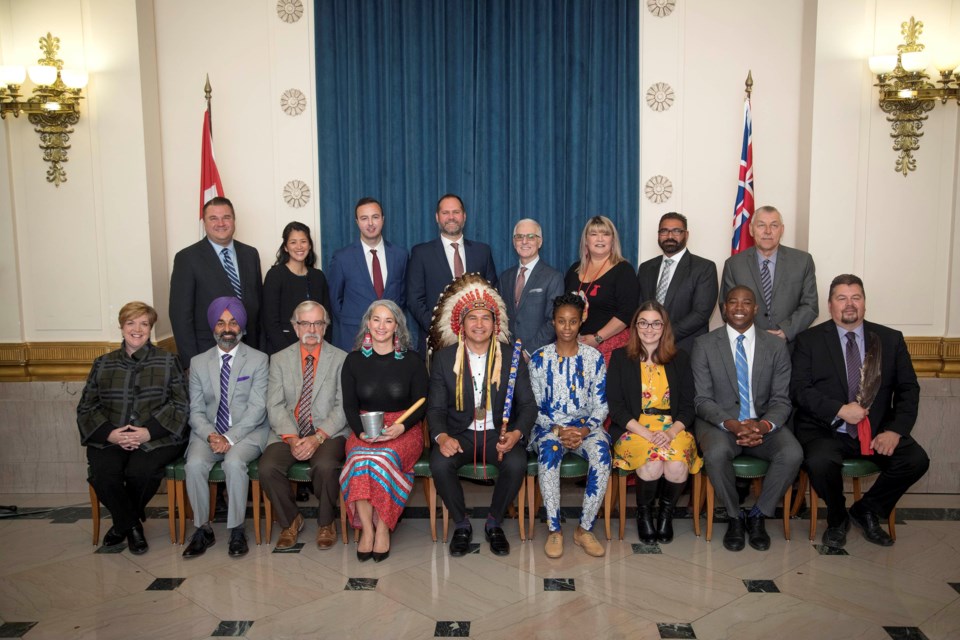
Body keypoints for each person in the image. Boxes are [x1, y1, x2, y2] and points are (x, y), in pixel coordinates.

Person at [792, 274, 928, 548]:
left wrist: (894, 430)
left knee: (915, 459)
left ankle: (868, 509)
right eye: (841, 298)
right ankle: (837, 516)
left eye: (856, 297)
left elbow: (908, 390)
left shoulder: (890, 339)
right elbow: (799, 389)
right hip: (826, 428)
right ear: (830, 305)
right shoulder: (810, 340)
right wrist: (839, 410)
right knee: (820, 461)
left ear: (865, 303)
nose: (849, 304)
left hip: (876, 429)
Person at [427, 274, 536, 557]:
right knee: (439, 464)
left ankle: (493, 522)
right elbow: (436, 409)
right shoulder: (444, 359)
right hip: (459, 433)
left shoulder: (512, 357)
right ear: (461, 324)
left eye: (485, 318)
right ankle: (461, 524)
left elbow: (528, 406)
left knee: (516, 463)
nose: (479, 324)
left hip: (498, 434)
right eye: (472, 318)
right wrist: (441, 437)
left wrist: (516, 433)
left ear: (495, 323)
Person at [691, 286, 802, 552]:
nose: (739, 307)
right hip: (720, 424)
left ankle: (758, 516)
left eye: (746, 302)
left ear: (755, 309)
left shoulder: (775, 346)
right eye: (733, 302)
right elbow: (702, 399)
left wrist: (762, 426)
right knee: (716, 454)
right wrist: (732, 424)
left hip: (763, 423)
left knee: (792, 453)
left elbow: (781, 400)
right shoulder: (704, 344)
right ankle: (734, 517)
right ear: (724, 308)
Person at [77, 301, 188, 554]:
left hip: (156, 437)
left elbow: (180, 404)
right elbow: (86, 407)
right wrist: (111, 434)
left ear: (151, 328)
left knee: (142, 471)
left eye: (144, 324)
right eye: (131, 323)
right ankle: (131, 526)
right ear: (121, 326)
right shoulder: (103, 363)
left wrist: (148, 431)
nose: (137, 329)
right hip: (111, 436)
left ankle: (121, 525)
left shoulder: (168, 361)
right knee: (103, 473)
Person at [339, 300, 428, 562]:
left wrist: (401, 427)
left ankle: (384, 528)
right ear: (368, 323)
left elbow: (422, 403)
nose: (381, 326)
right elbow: (349, 406)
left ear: (397, 326)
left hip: (405, 429)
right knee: (359, 459)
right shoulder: (353, 361)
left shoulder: (412, 361)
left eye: (388, 321)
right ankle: (368, 529)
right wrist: (362, 433)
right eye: (376, 319)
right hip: (364, 428)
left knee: (381, 459)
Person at [181, 297, 270, 559]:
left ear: (241, 326)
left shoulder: (258, 359)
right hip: (208, 432)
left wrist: (229, 438)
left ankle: (237, 529)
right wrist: (211, 435)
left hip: (248, 432)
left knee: (233, 463)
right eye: (221, 322)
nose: (227, 328)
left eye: (233, 322)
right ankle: (202, 529)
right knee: (194, 465)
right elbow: (195, 410)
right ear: (213, 327)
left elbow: (257, 409)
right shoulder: (198, 362)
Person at [608, 301, 702, 545]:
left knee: (676, 466)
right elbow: (615, 407)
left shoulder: (680, 358)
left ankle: (665, 515)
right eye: (643, 322)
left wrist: (670, 433)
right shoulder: (620, 357)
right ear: (635, 326)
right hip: (634, 428)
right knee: (651, 464)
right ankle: (644, 514)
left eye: (656, 323)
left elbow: (688, 407)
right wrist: (647, 434)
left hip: (673, 427)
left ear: (664, 327)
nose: (649, 328)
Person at [259, 301, 348, 550]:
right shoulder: (278, 360)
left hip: (328, 433)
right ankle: (291, 520)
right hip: (289, 433)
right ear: (295, 327)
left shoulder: (341, 359)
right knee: (267, 467)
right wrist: (291, 438)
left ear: (325, 327)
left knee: (327, 465)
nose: (311, 328)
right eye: (305, 323)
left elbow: (342, 407)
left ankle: (326, 522)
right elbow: (274, 404)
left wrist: (317, 438)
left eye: (317, 323)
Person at [528, 293, 609, 558]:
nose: (566, 327)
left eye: (572, 322)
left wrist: (584, 431)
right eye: (561, 321)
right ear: (552, 322)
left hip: (587, 428)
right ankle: (555, 530)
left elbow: (601, 405)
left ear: (580, 322)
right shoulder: (539, 359)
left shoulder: (593, 357)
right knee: (549, 452)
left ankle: (584, 529)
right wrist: (558, 431)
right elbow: (534, 406)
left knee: (602, 454)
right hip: (550, 428)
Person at [170, 196, 262, 367]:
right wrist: (192, 363)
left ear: (234, 220)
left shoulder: (250, 254)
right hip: (208, 353)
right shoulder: (187, 258)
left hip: (249, 351)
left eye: (226, 217)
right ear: (204, 223)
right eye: (213, 218)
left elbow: (257, 305)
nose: (221, 223)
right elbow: (180, 316)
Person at [407, 194, 498, 351]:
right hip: (436, 343)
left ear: (464, 216)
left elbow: (493, 296)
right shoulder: (421, 253)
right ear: (437, 217)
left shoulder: (482, 251)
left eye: (456, 212)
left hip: (478, 342)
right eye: (445, 213)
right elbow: (414, 300)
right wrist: (441, 329)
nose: (451, 217)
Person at [720, 205, 818, 348]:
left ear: (782, 230)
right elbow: (726, 307)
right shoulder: (734, 264)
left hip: (791, 346)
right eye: (761, 225)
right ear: (751, 230)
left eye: (774, 225)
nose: (767, 231)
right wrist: (753, 334)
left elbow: (810, 305)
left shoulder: (802, 261)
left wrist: (786, 330)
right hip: (748, 346)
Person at [327, 197, 408, 352]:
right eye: (364, 218)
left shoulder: (400, 255)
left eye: (375, 217)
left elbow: (402, 297)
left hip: (390, 341)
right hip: (353, 338)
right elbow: (335, 301)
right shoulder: (342, 258)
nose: (370, 223)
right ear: (357, 222)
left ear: (383, 219)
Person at [637, 212, 718, 353]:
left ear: (686, 234)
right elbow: (640, 306)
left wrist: (664, 335)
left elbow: (701, 313)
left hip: (686, 349)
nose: (669, 236)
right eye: (664, 231)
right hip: (648, 348)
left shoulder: (704, 267)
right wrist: (650, 335)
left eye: (676, 231)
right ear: (658, 234)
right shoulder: (646, 268)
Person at [564, 215, 639, 364]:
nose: (600, 239)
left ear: (613, 240)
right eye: (594, 234)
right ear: (586, 240)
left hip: (611, 349)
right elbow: (564, 307)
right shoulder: (574, 270)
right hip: (576, 347)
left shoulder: (623, 270)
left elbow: (627, 313)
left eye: (605, 234)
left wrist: (598, 338)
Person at [498, 219, 564, 358]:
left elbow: (554, 320)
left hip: (540, 356)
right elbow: (501, 318)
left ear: (540, 242)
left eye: (531, 237)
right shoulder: (505, 277)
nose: (524, 241)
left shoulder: (553, 277)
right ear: (514, 242)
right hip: (508, 355)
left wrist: (528, 353)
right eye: (519, 237)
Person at [262, 222, 331, 354]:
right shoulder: (275, 275)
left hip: (317, 350)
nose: (299, 246)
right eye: (293, 242)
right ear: (286, 247)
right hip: (284, 351)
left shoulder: (318, 276)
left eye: (303, 241)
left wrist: (323, 350)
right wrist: (290, 354)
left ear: (310, 245)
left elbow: (327, 319)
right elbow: (271, 323)